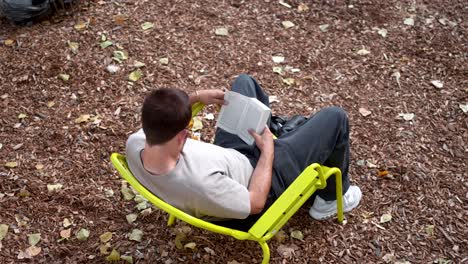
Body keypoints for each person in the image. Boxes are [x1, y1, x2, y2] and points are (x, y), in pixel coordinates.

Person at [126, 74, 362, 230]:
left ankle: (281, 134)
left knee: (244, 84)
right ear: (182, 136)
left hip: (228, 160)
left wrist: (197, 97)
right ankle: (329, 200)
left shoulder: (135, 144)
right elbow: (256, 202)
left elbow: (161, 118)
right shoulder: (200, 184)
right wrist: (268, 152)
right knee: (335, 117)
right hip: (260, 180)